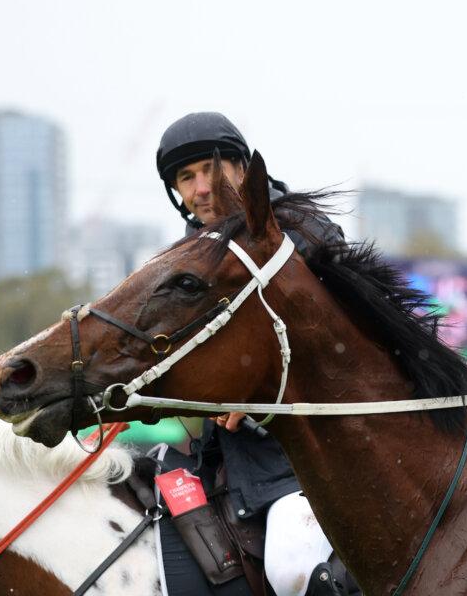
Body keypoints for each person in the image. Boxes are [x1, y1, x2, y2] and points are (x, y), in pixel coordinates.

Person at [156, 111, 353, 596]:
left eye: (212, 169)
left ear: (244, 169)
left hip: (313, 451)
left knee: (291, 567)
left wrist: (255, 388)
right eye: (186, 177)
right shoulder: (189, 256)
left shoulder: (305, 231)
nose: (202, 188)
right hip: (225, 455)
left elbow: (340, 344)